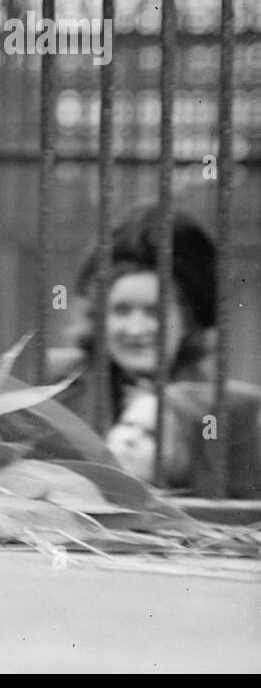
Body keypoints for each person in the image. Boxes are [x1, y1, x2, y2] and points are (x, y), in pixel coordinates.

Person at [57, 202, 261, 499]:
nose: (136, 329)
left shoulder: (225, 411)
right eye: (122, 310)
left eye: (155, 312)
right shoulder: (60, 384)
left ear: (189, 320)